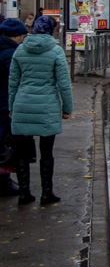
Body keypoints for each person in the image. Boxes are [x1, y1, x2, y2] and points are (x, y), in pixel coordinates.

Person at [8, 15, 73, 206]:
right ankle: (46, 193)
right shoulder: (55, 51)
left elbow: (13, 82)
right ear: (51, 31)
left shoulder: (20, 50)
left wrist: (11, 107)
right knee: (46, 152)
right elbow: (64, 83)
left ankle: (24, 193)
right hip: (47, 106)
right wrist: (67, 107)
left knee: (21, 153)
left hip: (22, 104)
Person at [0, 18, 28, 196]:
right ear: (16, 36)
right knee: (5, 144)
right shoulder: (11, 54)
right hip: (4, 103)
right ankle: (3, 182)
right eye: (23, 35)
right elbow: (15, 80)